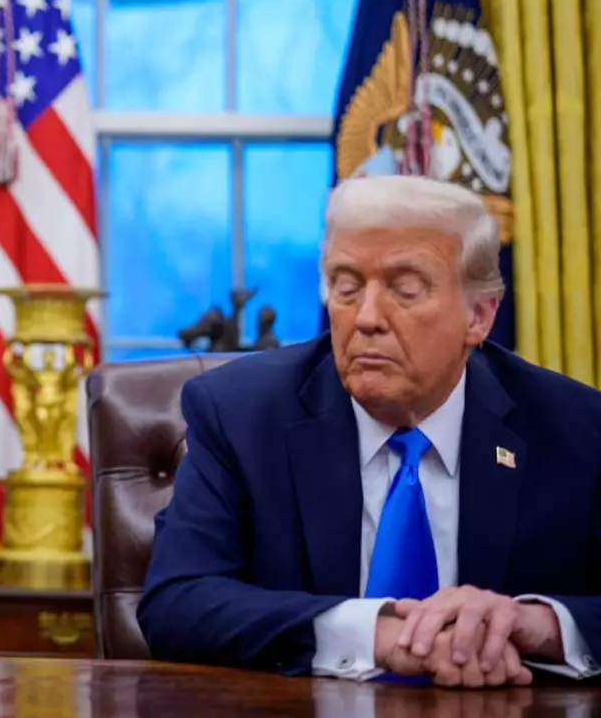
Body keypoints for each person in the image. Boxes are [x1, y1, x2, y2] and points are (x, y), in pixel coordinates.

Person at [139, 174, 601, 687]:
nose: (366, 318)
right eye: (346, 286)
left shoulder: (576, 429)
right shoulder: (241, 414)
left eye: (405, 289)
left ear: (479, 315)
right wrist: (377, 636)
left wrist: (531, 624)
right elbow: (176, 602)